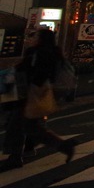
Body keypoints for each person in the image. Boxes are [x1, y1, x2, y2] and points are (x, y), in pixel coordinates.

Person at [3, 29, 75, 170]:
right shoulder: (53, 52)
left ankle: (16, 156)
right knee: (29, 126)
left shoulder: (38, 53)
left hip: (30, 95)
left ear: (41, 39)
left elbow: (35, 73)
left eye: (35, 36)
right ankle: (61, 146)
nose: (31, 38)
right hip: (38, 95)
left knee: (18, 125)